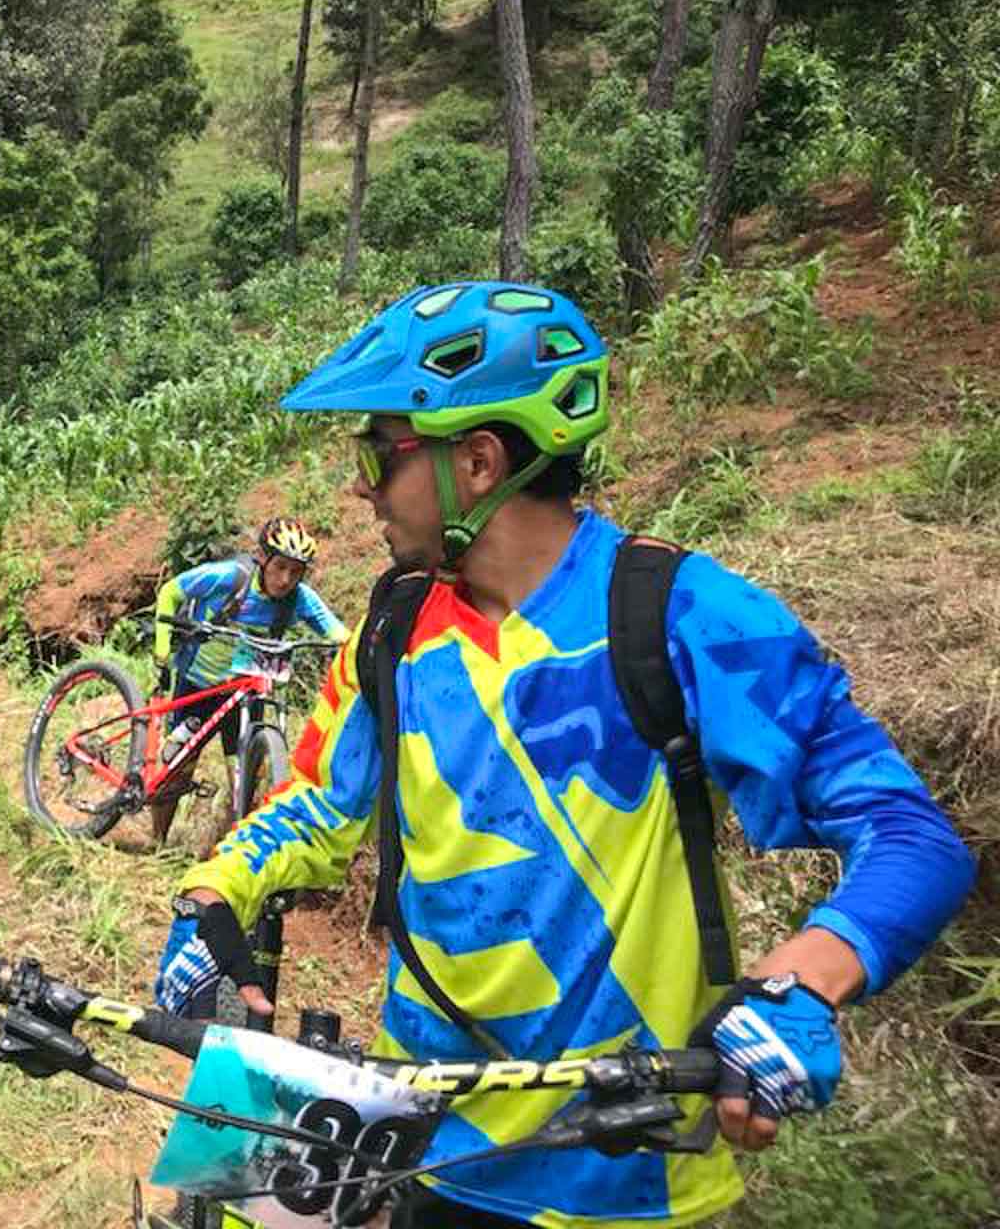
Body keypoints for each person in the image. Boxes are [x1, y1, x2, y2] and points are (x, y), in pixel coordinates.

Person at [152, 282, 975, 1227]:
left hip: (622, 1169)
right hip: (418, 1134)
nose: (362, 488)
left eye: (380, 454)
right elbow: (319, 802)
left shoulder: (683, 616)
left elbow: (911, 836)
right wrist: (213, 890)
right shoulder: (393, 626)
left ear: (478, 460)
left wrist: (802, 982)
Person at [147, 516, 349, 844]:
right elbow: (171, 591)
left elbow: (338, 633)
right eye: (280, 567)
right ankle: (157, 844)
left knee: (247, 774)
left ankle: (234, 846)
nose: (285, 579)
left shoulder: (300, 598)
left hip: (246, 692)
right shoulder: (229, 578)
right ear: (262, 558)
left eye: (296, 571)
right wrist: (161, 647)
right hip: (198, 684)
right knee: (178, 764)